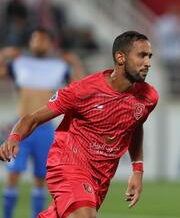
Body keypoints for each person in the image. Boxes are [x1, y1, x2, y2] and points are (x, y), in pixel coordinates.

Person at [0, 30, 158, 218]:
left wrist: (137, 170)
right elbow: (33, 117)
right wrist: (14, 137)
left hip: (100, 176)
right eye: (141, 55)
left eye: (149, 56)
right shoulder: (84, 90)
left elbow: (135, 125)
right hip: (68, 163)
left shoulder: (148, 96)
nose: (148, 63)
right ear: (121, 57)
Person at [0, 27, 85, 218]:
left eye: (42, 40)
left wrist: (75, 62)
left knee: (41, 178)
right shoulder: (20, 63)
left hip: (44, 129)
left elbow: (80, 86)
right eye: (34, 39)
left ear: (49, 43)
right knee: (12, 176)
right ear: (30, 42)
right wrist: (4, 54)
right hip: (20, 128)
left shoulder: (58, 66)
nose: (37, 43)